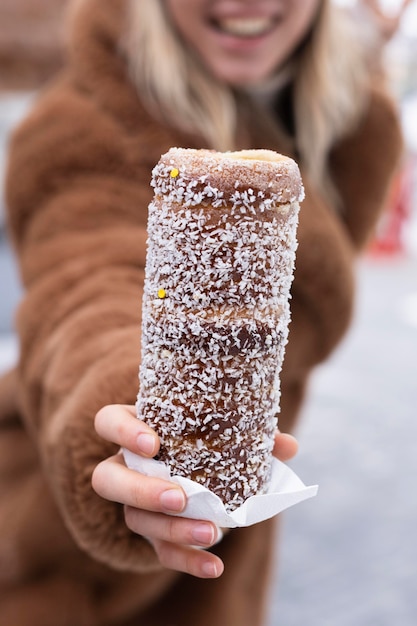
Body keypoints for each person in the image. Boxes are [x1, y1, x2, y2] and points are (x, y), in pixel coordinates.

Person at [0, 0, 403, 625]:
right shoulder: (90, 121)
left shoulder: (345, 109)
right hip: (56, 566)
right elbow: (83, 289)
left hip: (225, 545)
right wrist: (130, 413)